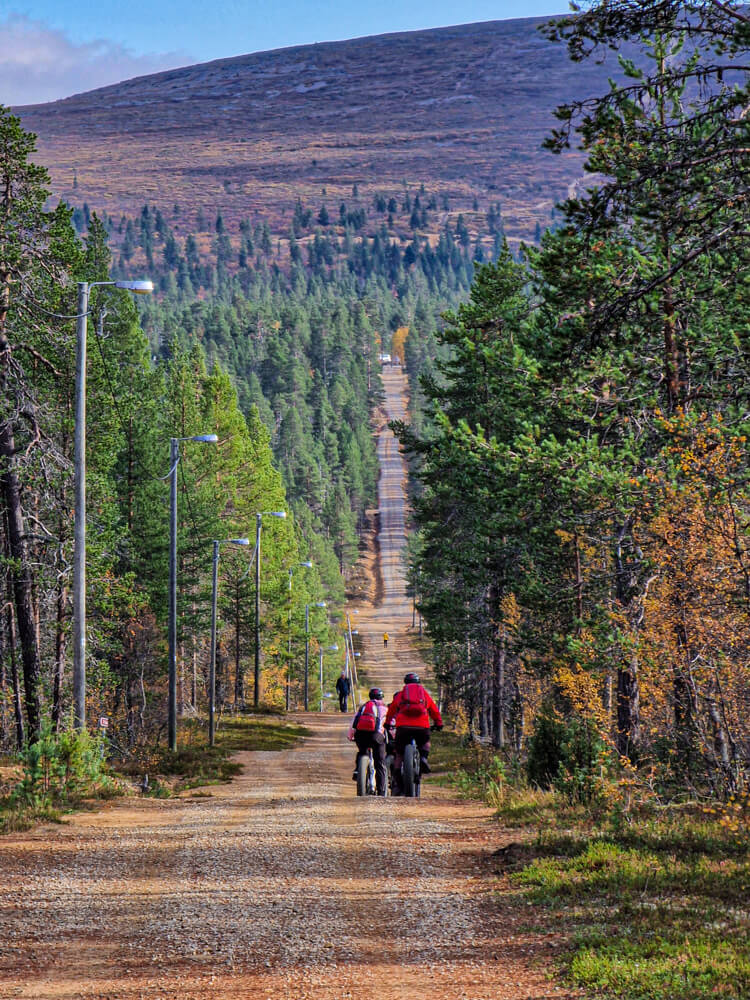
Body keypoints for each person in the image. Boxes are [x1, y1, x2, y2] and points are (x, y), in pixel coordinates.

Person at [385, 672, 442, 795]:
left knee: (399, 753)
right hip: (422, 726)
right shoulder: (424, 694)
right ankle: (423, 758)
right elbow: (433, 709)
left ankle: (397, 776)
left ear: (405, 682)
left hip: (403, 727)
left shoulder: (401, 695)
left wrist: (388, 723)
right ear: (418, 682)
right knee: (425, 742)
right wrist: (438, 723)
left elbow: (391, 710)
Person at [348, 688, 388, 795]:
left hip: (361, 735)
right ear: (381, 698)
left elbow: (354, 723)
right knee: (380, 762)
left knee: (362, 751)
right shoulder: (384, 708)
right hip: (376, 736)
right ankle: (382, 791)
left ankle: (358, 770)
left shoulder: (364, 707)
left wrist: (351, 736)